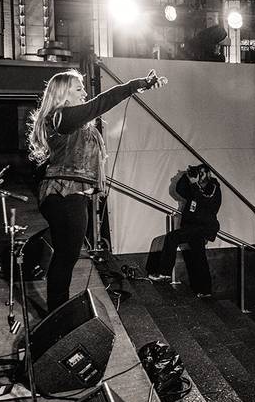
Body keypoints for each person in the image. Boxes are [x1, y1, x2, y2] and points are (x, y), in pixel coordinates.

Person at [28, 68, 167, 311]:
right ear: (63, 94)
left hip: (67, 195)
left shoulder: (69, 120)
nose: (85, 93)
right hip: (64, 194)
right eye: (78, 89)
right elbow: (101, 103)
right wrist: (135, 84)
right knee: (66, 257)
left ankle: (31, 255)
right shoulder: (62, 117)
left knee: (64, 250)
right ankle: (58, 313)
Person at [148, 164, 221, 298]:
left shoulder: (213, 188)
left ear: (208, 174)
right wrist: (185, 176)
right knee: (199, 257)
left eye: (202, 173)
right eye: (198, 173)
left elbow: (204, 201)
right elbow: (179, 190)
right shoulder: (194, 187)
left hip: (203, 227)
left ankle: (164, 272)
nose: (200, 175)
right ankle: (205, 290)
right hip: (192, 227)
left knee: (172, 237)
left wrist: (194, 184)